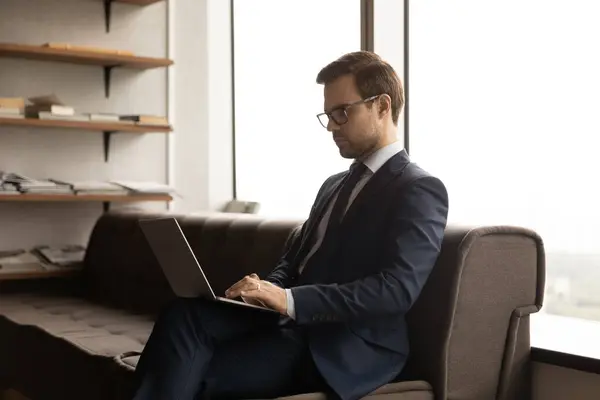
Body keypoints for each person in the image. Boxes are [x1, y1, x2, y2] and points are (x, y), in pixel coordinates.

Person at [132, 51, 449, 400]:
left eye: (342, 112)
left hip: (342, 344)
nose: (331, 126)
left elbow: (395, 290)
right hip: (290, 323)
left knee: (190, 371)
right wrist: (264, 291)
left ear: (382, 106)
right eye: (328, 115)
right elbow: (296, 261)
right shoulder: (333, 184)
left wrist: (288, 300)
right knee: (184, 313)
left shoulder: (417, 188)